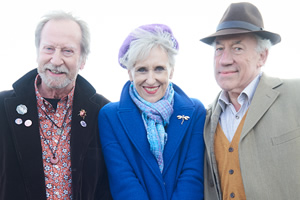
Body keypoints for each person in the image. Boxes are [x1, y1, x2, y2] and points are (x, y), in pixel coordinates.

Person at [0, 11, 112, 200]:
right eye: (49, 48)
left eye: (67, 51)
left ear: (82, 60)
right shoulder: (2, 108)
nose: (56, 60)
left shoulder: (103, 113)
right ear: (37, 53)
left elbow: (109, 185)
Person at [201, 2, 300, 200]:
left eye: (237, 48)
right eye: (219, 49)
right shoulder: (206, 117)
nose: (224, 60)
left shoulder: (295, 94)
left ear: (262, 56)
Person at [98, 24, 206, 199]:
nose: (150, 80)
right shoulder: (110, 117)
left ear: (171, 71)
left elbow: (192, 176)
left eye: (159, 69)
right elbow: (124, 181)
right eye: (142, 70)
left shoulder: (195, 112)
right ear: (130, 73)